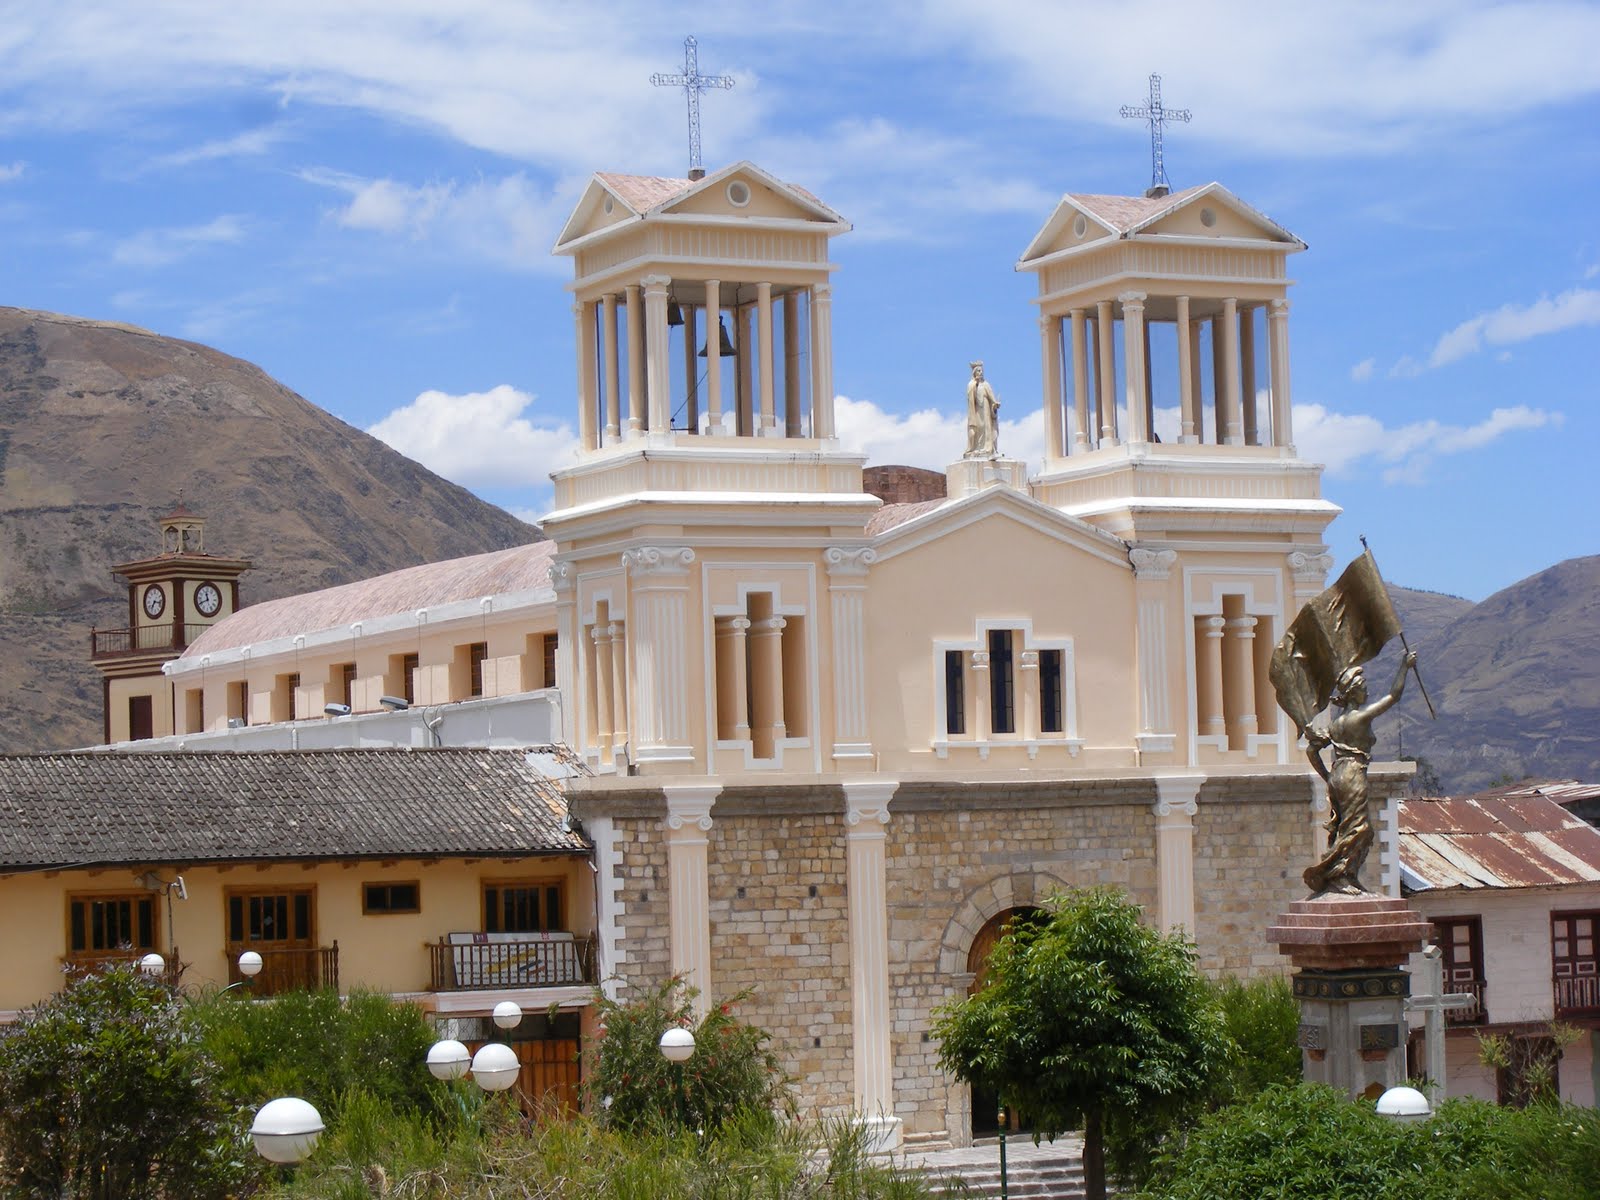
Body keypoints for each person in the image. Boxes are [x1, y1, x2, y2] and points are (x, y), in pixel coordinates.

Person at [1303, 650, 1417, 895]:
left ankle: (1345, 875)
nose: (1367, 691)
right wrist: (1405, 667)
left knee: (1346, 827)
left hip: (1338, 773)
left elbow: (1312, 751)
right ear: (1352, 692)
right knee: (1359, 828)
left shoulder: (1334, 725)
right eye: (1362, 686)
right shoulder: (1360, 718)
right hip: (1354, 772)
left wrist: (1327, 776)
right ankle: (1338, 875)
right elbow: (1393, 696)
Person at [964, 361, 1000, 457]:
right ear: (975, 372)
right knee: (978, 428)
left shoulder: (986, 384)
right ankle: (977, 447)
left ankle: (987, 447)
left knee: (986, 427)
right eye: (978, 371)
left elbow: (992, 397)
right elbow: (970, 398)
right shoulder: (972, 384)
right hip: (976, 411)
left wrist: (995, 404)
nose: (980, 372)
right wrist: (975, 385)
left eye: (981, 371)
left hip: (986, 409)